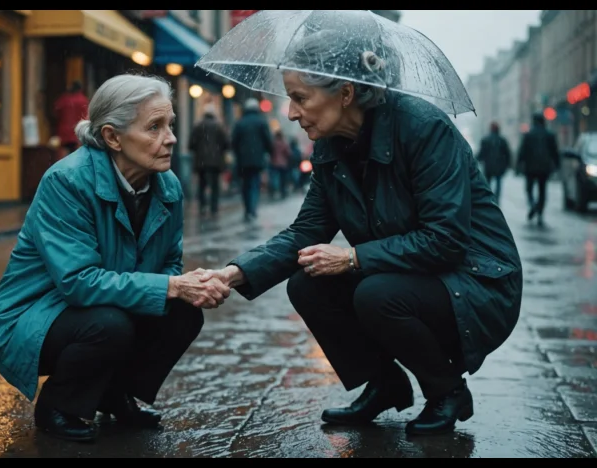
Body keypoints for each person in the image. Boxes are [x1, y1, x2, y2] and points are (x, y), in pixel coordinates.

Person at [196, 30, 523, 436]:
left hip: (477, 280)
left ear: (345, 93)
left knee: (375, 294)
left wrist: (352, 258)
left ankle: (447, 392)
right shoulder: (330, 145)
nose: (292, 113)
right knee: (306, 284)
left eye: (300, 97)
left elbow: (446, 239)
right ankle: (384, 383)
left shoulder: (424, 129)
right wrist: (234, 273)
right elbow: (305, 232)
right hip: (414, 274)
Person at [0, 73, 231, 443]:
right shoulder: (66, 181)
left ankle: (114, 394)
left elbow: (168, 264)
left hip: (105, 306)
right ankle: (57, 405)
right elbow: (78, 283)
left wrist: (184, 286)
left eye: (170, 125)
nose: (171, 139)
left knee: (181, 311)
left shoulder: (168, 187)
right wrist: (170, 285)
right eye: (154, 127)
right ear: (112, 137)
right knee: (110, 323)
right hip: (34, 316)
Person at [232, 98, 274, 221]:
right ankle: (252, 209)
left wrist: (238, 153)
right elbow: (268, 140)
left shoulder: (240, 122)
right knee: (255, 183)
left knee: (245, 184)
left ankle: (247, 209)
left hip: (243, 160)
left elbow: (234, 141)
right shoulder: (261, 122)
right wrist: (268, 152)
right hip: (257, 159)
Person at [516, 112, 560, 225]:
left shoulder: (528, 134)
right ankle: (539, 211)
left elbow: (522, 151)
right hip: (544, 167)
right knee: (542, 190)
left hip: (530, 167)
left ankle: (533, 205)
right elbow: (555, 152)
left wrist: (518, 165)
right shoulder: (549, 134)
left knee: (529, 189)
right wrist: (557, 165)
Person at [189, 103, 230, 216]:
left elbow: (191, 144)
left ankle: (202, 206)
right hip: (216, 162)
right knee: (215, 185)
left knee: (202, 184)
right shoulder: (219, 126)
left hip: (201, 161)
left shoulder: (198, 126)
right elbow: (226, 144)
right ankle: (214, 207)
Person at [476, 121, 511, 202]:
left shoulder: (485, 140)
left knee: (488, 184)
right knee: (498, 184)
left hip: (488, 167)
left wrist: (475, 160)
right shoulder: (502, 140)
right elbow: (507, 154)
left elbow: (481, 153)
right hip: (499, 167)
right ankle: (497, 200)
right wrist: (507, 165)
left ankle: (489, 199)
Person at [54, 80, 90, 155]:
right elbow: (86, 117)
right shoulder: (83, 100)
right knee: (77, 155)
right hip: (77, 133)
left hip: (64, 133)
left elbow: (56, 111)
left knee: (64, 156)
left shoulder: (64, 99)